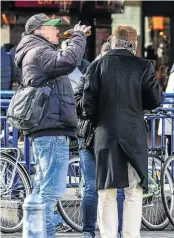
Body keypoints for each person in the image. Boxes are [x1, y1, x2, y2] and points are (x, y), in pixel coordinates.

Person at [82, 25, 164, 238]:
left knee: (107, 193)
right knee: (134, 193)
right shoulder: (144, 67)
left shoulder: (97, 66)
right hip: (134, 136)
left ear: (113, 41)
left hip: (105, 136)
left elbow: (86, 106)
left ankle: (108, 236)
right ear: (134, 44)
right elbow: (155, 99)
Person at [14, 13, 90, 238]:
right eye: (52, 27)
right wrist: (78, 38)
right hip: (52, 129)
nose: (57, 31)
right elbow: (67, 61)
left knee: (41, 189)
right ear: (39, 30)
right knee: (50, 192)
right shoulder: (39, 52)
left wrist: (72, 42)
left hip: (48, 128)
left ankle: (35, 233)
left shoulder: (35, 51)